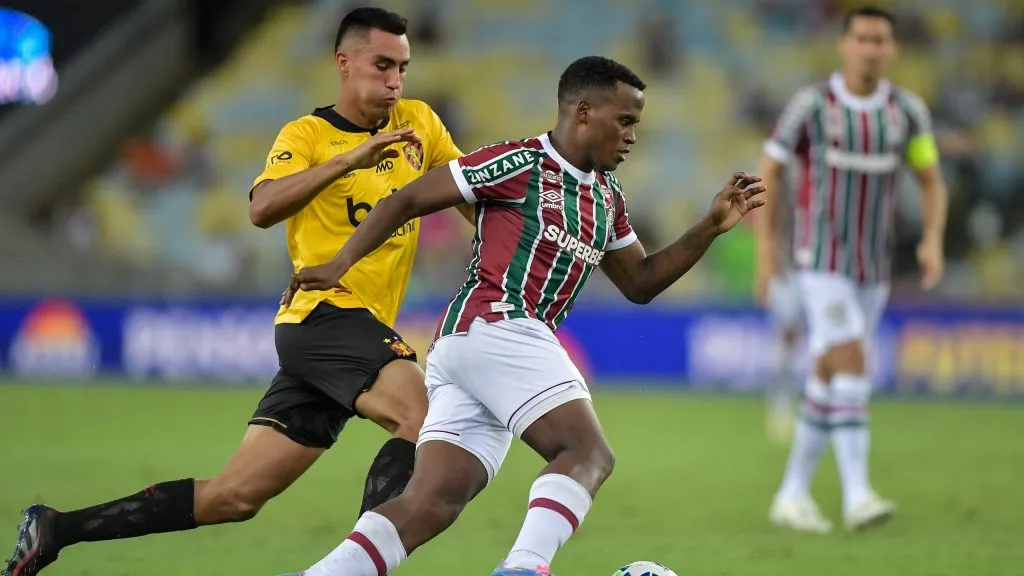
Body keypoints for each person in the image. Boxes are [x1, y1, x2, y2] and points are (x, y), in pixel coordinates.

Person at [3, 8, 470, 576]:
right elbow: (262, 208)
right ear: (344, 64)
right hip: (323, 317)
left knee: (234, 497)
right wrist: (348, 159)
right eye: (382, 65)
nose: (396, 80)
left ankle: (53, 528)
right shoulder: (307, 135)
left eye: (403, 67)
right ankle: (357, 570)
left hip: (348, 337)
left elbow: (469, 196)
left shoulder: (420, 124)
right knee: (421, 414)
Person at [278, 55, 765, 576]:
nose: (631, 137)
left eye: (636, 125)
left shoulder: (606, 198)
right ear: (583, 112)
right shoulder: (520, 162)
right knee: (587, 454)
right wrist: (340, 264)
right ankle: (525, 567)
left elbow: (641, 282)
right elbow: (408, 199)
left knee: (431, 504)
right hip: (499, 323)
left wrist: (709, 227)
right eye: (624, 121)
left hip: (472, 348)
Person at [757, 5, 948, 534]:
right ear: (843, 44)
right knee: (852, 361)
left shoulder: (907, 112)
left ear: (893, 49)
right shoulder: (812, 106)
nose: (871, 48)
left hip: (873, 266)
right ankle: (857, 494)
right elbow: (769, 170)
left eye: (880, 39)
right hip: (818, 260)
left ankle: (791, 494)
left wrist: (932, 239)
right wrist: (767, 251)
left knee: (828, 373)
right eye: (862, 38)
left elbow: (931, 178)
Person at [754, 166, 804, 446]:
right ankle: (780, 407)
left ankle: (814, 409)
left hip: (819, 268)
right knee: (787, 336)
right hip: (787, 267)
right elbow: (768, 219)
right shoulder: (783, 173)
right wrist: (766, 264)